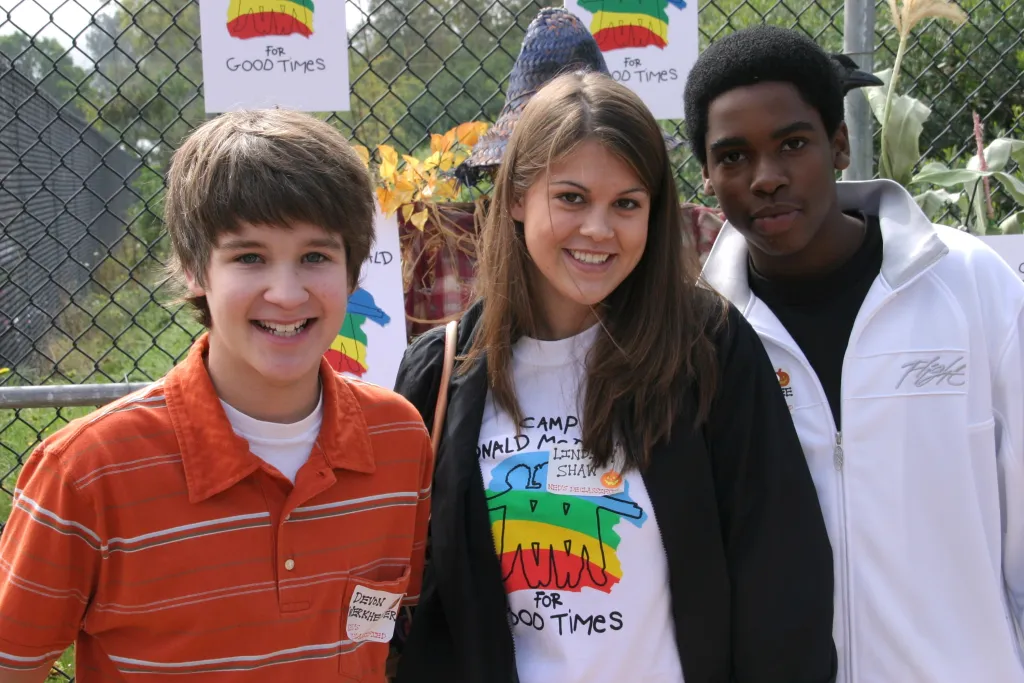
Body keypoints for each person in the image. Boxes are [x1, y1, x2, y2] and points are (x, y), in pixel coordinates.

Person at [394, 70, 837, 683]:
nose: (598, 230)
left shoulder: (706, 349)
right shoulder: (441, 372)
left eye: (626, 203)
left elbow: (782, 579)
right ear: (517, 197)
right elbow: (397, 594)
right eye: (571, 197)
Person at [0, 109, 433, 682]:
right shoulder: (85, 472)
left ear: (353, 273)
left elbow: (385, 632)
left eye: (315, 256)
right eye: (249, 257)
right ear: (192, 269)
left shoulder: (398, 438)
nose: (286, 292)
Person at [691, 25, 1024, 683]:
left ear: (839, 145)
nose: (766, 178)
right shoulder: (699, 337)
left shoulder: (971, 286)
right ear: (705, 174)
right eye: (733, 157)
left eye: (792, 143)